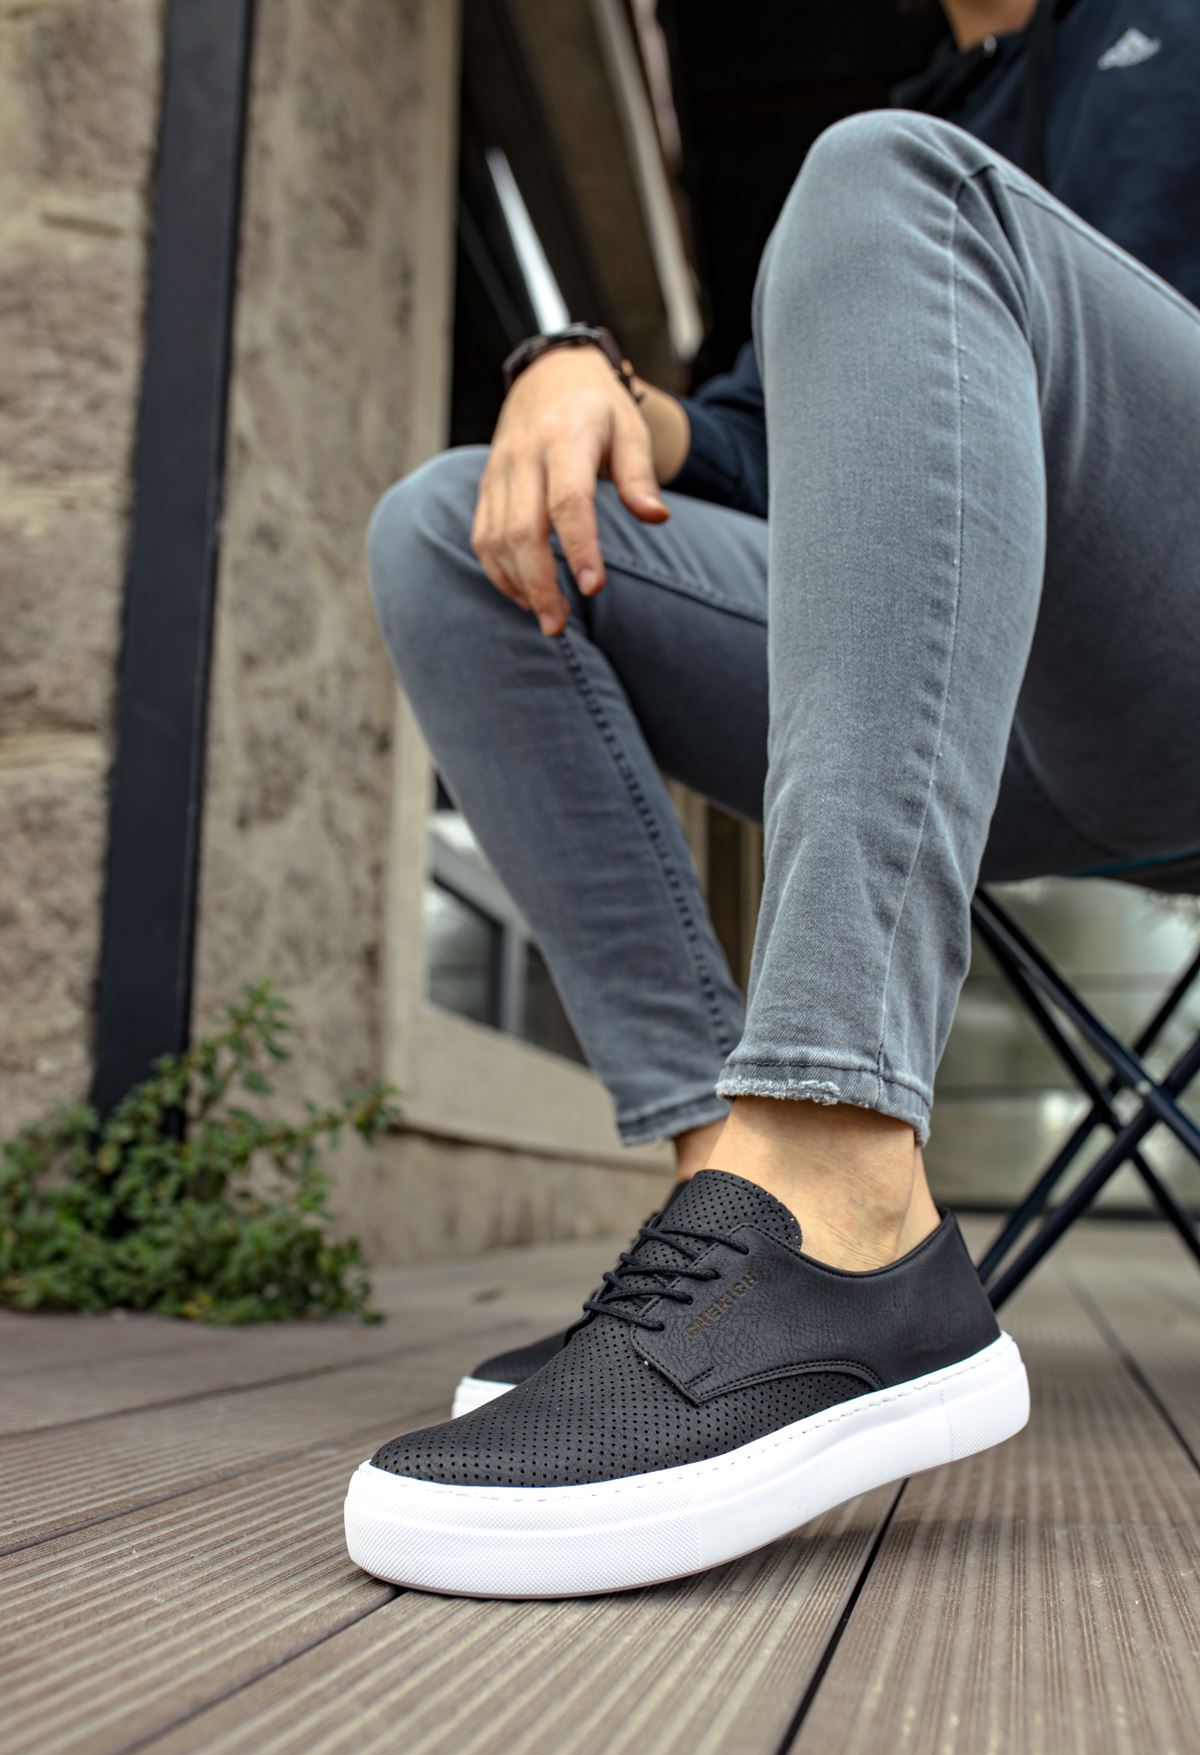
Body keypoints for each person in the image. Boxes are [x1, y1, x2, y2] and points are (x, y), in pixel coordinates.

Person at [344, 0, 1200, 1597]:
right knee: (459, 530)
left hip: (1171, 648)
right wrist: (588, 377)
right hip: (975, 710)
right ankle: (733, 1222)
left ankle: (835, 1171)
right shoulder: (944, 107)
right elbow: (750, 450)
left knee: (892, 182)